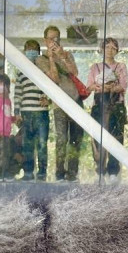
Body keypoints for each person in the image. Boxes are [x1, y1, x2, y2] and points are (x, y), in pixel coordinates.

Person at [43, 25, 84, 182]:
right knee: (61, 139)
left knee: (76, 138)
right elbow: (54, 78)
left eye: (57, 39)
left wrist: (63, 56)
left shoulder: (67, 54)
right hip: (59, 105)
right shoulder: (42, 59)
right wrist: (52, 58)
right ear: (45, 40)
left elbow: (75, 72)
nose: (54, 41)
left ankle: (73, 173)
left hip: (75, 101)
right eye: (51, 38)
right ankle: (59, 173)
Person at [88, 37, 128, 183]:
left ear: (117, 50)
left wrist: (111, 87)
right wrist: (101, 87)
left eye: (113, 47)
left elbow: (123, 86)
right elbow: (89, 87)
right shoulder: (95, 67)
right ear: (102, 49)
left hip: (116, 105)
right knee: (97, 138)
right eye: (107, 47)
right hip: (99, 105)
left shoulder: (121, 66)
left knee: (116, 137)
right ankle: (100, 170)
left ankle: (113, 170)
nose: (110, 50)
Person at [15, 40, 50, 181]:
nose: (31, 51)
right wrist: (17, 112)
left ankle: (42, 173)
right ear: (24, 52)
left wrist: (47, 99)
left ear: (38, 52)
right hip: (26, 113)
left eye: (34, 49)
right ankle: (28, 172)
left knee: (42, 143)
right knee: (27, 144)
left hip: (41, 113)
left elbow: (49, 89)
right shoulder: (21, 72)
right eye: (28, 49)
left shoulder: (43, 70)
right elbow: (17, 93)